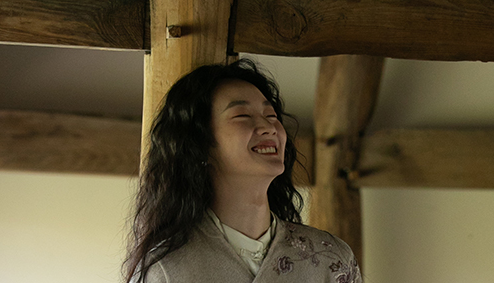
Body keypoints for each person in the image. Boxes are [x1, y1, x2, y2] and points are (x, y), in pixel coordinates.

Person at [126, 59, 361, 283]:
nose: (269, 127)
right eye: (243, 115)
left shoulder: (331, 259)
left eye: (271, 115)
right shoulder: (166, 269)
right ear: (200, 144)